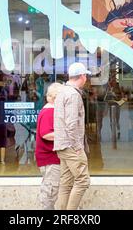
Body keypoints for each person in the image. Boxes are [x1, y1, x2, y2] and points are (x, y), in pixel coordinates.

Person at [53, 62, 91, 210]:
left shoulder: (62, 92)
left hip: (62, 145)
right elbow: (71, 124)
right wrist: (77, 147)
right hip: (70, 146)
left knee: (66, 183)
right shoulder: (73, 95)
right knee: (82, 180)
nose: (86, 78)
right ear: (82, 76)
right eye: (85, 75)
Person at [35, 82, 63, 210]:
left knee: (50, 190)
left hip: (50, 159)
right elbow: (45, 134)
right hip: (50, 159)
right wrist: (65, 135)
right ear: (55, 98)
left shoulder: (49, 110)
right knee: (50, 192)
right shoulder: (49, 112)